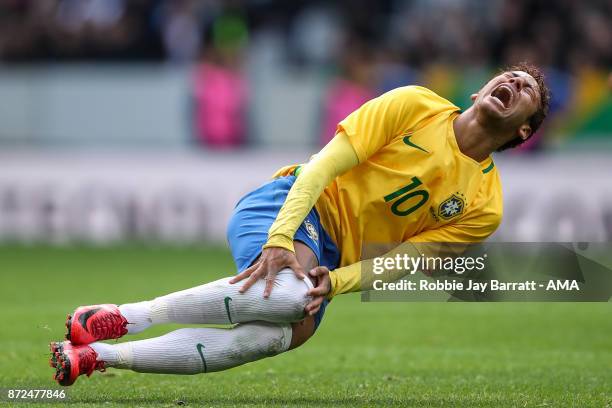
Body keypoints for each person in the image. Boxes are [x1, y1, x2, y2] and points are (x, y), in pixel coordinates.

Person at [49, 62, 550, 386]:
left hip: (330, 260)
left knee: (274, 337)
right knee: (288, 299)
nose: (511, 82)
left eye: (526, 87)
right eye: (507, 75)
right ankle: (122, 316)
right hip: (289, 205)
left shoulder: (484, 205)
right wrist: (280, 237)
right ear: (483, 85)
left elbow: (406, 261)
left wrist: (338, 281)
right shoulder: (416, 105)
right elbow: (323, 166)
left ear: (524, 130)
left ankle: (98, 358)